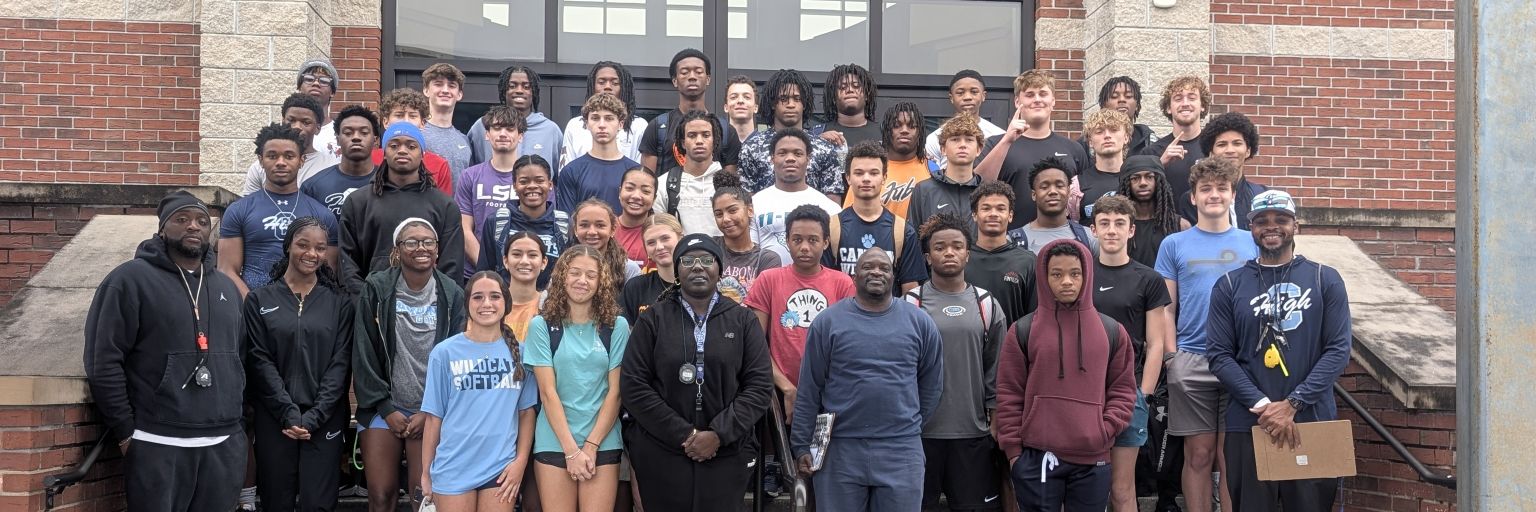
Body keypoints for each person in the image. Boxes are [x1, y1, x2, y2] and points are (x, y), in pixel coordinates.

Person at [84, 191, 246, 512]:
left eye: (202, 221)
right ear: (162, 229)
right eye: (181, 219)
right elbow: (103, 360)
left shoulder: (226, 287)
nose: (193, 227)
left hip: (222, 442)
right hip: (158, 441)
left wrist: (237, 424)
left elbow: (240, 357)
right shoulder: (129, 280)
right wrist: (127, 432)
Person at [1206, 190, 1352, 511]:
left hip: (1311, 420)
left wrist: (1293, 404)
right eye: (1262, 221)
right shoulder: (1229, 285)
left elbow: (1338, 350)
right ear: (1251, 228)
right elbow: (1218, 355)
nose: (1272, 227)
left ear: (1295, 225)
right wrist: (1264, 406)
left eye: (1281, 220)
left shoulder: (1325, 279)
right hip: (1249, 423)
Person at [621, 233, 774, 510]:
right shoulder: (653, 319)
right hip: (663, 451)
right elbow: (634, 386)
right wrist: (685, 435)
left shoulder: (743, 320)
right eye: (688, 260)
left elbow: (759, 385)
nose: (698, 266)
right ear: (677, 270)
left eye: (707, 259)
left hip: (727, 452)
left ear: (719, 269)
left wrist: (718, 434)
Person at [791, 248, 944, 512]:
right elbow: (809, 388)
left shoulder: (919, 322)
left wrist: (905, 423)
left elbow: (931, 385)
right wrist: (801, 444)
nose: (876, 272)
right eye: (867, 267)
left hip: (901, 449)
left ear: (893, 276)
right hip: (840, 449)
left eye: (884, 268)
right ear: (853, 274)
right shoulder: (828, 322)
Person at [995, 239, 1136, 511]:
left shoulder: (1112, 331)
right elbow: (1009, 393)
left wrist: (1104, 430)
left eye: (1075, 273)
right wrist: (1014, 454)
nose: (1067, 282)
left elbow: (1123, 390)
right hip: (1036, 458)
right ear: (1044, 278)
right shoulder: (1023, 330)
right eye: (1056, 274)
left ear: (1087, 275)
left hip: (1092, 458)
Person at [1156, 157, 1258, 512]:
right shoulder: (1174, 244)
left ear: (1232, 195)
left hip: (1242, 363)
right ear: (1194, 197)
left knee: (1231, 456)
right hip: (1192, 360)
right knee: (1198, 455)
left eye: (1221, 188)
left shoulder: (1252, 242)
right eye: (1206, 189)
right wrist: (1172, 357)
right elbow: (1166, 308)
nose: (1214, 195)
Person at [353, 218, 468, 512]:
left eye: (428, 242)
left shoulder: (452, 293)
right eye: (412, 242)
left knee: (424, 498)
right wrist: (386, 408)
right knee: (381, 496)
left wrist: (427, 411)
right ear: (397, 249)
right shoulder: (377, 288)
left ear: (437, 250)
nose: (421, 248)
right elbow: (364, 352)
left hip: (430, 411)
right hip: (384, 408)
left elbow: (457, 359)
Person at [244, 216, 353, 512]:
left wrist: (316, 415)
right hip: (275, 418)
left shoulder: (340, 303)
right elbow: (259, 359)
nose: (312, 254)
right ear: (288, 246)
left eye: (320, 247)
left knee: (318, 503)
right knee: (276, 501)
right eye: (303, 245)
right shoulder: (258, 300)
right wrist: (287, 411)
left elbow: (340, 363)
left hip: (325, 418)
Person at [745, 205, 855, 495]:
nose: (805, 247)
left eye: (813, 240)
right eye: (797, 239)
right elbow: (755, 346)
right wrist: (787, 388)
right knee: (789, 475)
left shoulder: (842, 283)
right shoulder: (770, 280)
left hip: (830, 395)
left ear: (826, 242)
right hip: (779, 392)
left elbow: (849, 344)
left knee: (822, 477)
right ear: (787, 240)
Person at [904, 213, 1006, 512]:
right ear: (927, 256)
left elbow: (997, 368)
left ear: (967, 254)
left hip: (972, 432)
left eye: (956, 246)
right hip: (920, 434)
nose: (948, 252)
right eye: (940, 247)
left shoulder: (985, 303)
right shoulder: (911, 304)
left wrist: (996, 419)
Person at [420, 271, 540, 512]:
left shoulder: (524, 354)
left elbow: (527, 414)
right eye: (478, 297)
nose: (486, 304)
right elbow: (434, 418)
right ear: (467, 304)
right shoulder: (444, 353)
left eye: (495, 296)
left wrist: (520, 462)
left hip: (500, 467)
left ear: (506, 303)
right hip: (453, 465)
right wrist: (426, 472)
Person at [524, 246, 632, 512]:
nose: (582, 281)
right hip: (555, 439)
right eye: (575, 273)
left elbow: (615, 393)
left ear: (601, 281)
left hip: (603, 440)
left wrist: (591, 446)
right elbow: (547, 393)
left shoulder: (616, 326)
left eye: (590, 275)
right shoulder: (542, 325)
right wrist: (571, 450)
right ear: (562, 277)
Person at [1088, 195, 1174, 512]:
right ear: (1093, 230)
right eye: (1105, 224)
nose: (1112, 230)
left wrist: (1144, 393)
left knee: (1122, 489)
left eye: (1119, 223)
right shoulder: (1080, 275)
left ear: (1131, 230)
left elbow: (1156, 343)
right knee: (1085, 486)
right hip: (1083, 393)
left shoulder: (1148, 279)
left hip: (1128, 393)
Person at [340, 121, 464, 289]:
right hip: (370, 303)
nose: (402, 150)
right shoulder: (358, 202)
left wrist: (438, 305)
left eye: (411, 146)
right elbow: (347, 263)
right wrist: (364, 301)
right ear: (384, 153)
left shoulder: (444, 205)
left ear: (422, 154)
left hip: (427, 308)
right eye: (394, 145)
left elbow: (452, 267)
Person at [221, 123, 340, 296]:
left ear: (301, 161)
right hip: (252, 310)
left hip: (305, 311)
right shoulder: (239, 210)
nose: (281, 163)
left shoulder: (323, 215)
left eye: (289, 156)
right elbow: (227, 270)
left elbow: (328, 274)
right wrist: (254, 307)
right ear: (261, 160)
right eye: (272, 156)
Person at [974, 70, 1089, 229]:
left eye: (1043, 94)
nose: (1037, 100)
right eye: (1029, 95)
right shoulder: (996, 144)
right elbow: (976, 187)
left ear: (1053, 101)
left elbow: (1082, 201)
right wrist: (1007, 140)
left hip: (1061, 244)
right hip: (1010, 242)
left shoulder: (1073, 149)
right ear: (1017, 102)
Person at [822, 141, 926, 293]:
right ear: (848, 178)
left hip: (888, 315)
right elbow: (823, 283)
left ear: (884, 177)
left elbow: (910, 290)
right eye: (859, 173)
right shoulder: (831, 227)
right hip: (843, 314)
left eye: (873, 173)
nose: (866, 178)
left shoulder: (903, 231)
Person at [737, 69, 845, 202]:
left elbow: (832, 199)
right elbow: (746, 199)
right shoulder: (752, 148)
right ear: (772, 103)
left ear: (804, 103)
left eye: (797, 99)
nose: (791, 105)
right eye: (783, 99)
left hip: (812, 221)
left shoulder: (824, 148)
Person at [639, 49, 742, 174]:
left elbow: (729, 187)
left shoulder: (726, 130)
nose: (692, 77)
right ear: (675, 81)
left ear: (708, 79)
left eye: (698, 72)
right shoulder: (657, 127)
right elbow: (647, 182)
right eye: (684, 72)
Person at [750, 129, 844, 264]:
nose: (790, 158)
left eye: (798, 153)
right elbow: (750, 254)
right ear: (772, 159)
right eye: (782, 153)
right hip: (767, 282)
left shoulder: (829, 208)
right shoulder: (755, 203)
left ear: (808, 159)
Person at [476, 155, 567, 289]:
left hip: (549, 306)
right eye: (524, 181)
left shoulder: (564, 224)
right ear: (514, 186)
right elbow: (484, 273)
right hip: (507, 304)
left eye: (539, 180)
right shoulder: (496, 222)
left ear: (550, 184)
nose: (532, 186)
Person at [458, 106, 528, 278]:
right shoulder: (470, 176)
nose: (503, 133)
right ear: (487, 134)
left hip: (522, 275)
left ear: (520, 136)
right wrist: (486, 268)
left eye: (510, 128)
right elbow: (464, 229)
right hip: (476, 274)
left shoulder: (533, 179)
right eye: (497, 128)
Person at [556, 93, 643, 217]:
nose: (602, 125)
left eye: (609, 118)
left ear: (621, 124)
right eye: (595, 118)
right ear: (586, 123)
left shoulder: (635, 172)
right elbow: (568, 222)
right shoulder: (571, 171)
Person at [240, 93, 341, 195]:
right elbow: (249, 206)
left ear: (318, 128)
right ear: (283, 121)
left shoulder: (331, 166)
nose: (297, 127)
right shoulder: (260, 167)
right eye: (291, 120)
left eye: (306, 122)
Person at [1182, 111, 1269, 229]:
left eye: (1237, 143)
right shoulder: (1194, 198)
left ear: (1248, 150)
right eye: (1222, 144)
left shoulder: (1261, 195)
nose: (1230, 150)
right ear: (1211, 153)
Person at [967, 181, 1038, 324]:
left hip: (1012, 345)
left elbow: (1034, 317)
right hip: (969, 344)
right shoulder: (962, 259)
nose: (993, 214)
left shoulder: (1028, 262)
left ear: (1010, 215)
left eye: (1001, 209)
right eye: (986, 208)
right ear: (974, 215)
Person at [469, 66, 562, 167]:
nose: (519, 91)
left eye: (526, 87)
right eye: (512, 86)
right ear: (504, 91)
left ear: (534, 93)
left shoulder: (550, 130)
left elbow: (560, 175)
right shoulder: (483, 125)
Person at [849, 101, 928, 220]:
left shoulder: (932, 169)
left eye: (912, 126)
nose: (904, 130)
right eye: (897, 125)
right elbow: (850, 218)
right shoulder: (870, 170)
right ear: (887, 131)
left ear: (920, 132)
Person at [711, 170, 780, 303]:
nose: (725, 219)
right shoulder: (710, 249)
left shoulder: (767, 259)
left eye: (732, 211)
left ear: (750, 210)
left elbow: (765, 306)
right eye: (719, 214)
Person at [908, 112, 985, 231]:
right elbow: (913, 238)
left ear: (979, 149)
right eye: (955, 139)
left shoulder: (986, 192)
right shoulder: (924, 190)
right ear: (943, 149)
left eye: (969, 140)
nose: (962, 145)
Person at [561, 61, 648, 167]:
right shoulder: (575, 125)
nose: (607, 87)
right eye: (601, 82)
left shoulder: (638, 125)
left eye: (615, 83)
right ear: (592, 86)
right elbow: (566, 169)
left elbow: (640, 171)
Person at [303, 105, 382, 218]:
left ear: (375, 140)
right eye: (348, 133)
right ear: (337, 139)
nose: (356, 138)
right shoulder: (313, 187)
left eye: (364, 132)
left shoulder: (389, 182)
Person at [654, 109, 725, 236]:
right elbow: (660, 233)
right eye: (692, 135)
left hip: (721, 255)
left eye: (706, 135)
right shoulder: (664, 184)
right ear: (683, 142)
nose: (699, 141)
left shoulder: (728, 183)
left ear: (715, 140)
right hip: (679, 255)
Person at [1143, 75, 1212, 204]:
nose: (1185, 104)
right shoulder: (1151, 153)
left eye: (1192, 98)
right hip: (1167, 223)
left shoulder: (1213, 147)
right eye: (1178, 99)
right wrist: (1159, 164)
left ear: (1202, 105)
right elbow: (1141, 194)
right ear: (1169, 108)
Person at [371, 88, 455, 194]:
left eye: (412, 116)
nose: (406, 121)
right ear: (386, 122)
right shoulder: (370, 160)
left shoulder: (439, 165)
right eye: (399, 115)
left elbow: (443, 207)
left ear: (422, 123)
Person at [1013, 157, 1099, 254]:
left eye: (1059, 186)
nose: (1053, 192)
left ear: (1069, 192)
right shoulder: (1013, 242)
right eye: (1044, 187)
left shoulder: (1090, 239)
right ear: (1034, 194)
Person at [1116, 155, 1188, 268]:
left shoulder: (1180, 225)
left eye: (1149, 177)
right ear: (1126, 183)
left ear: (1159, 181)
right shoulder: (1117, 226)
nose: (1143, 183)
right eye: (1135, 178)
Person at [926, 70, 1006, 170]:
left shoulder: (1000, 136)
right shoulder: (935, 137)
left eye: (974, 92)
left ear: (983, 96)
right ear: (951, 98)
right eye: (960, 92)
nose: (967, 97)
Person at [567, 198, 644, 297]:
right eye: (584, 225)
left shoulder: (628, 269)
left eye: (600, 225)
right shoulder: (564, 266)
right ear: (575, 230)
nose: (592, 232)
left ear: (612, 230)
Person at [1070, 108, 1133, 221]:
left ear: (1126, 137)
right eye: (1099, 131)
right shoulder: (1076, 185)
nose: (1107, 136)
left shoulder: (1137, 179)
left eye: (1114, 130)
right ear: (1090, 142)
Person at [619, 213, 684, 322]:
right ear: (645, 248)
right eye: (651, 242)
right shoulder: (635, 287)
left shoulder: (698, 283)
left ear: (681, 239)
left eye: (665, 238)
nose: (659, 247)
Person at [421, 63, 474, 182]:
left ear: (459, 94)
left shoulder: (464, 141)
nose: (445, 90)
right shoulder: (415, 134)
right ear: (426, 90)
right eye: (438, 84)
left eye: (451, 86)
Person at [1080, 77, 1156, 159]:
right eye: (1114, 96)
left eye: (1128, 96)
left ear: (1137, 105)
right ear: (1103, 105)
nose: (1122, 100)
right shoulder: (1083, 145)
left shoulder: (1150, 142)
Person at [813, 63, 882, 149]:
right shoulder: (818, 133)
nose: (850, 90)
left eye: (856, 86)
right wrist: (818, 142)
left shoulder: (884, 132)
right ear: (834, 97)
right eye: (843, 87)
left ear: (867, 95)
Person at [612, 167, 659, 266]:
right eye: (629, 188)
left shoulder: (660, 234)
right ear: (620, 192)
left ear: (654, 198)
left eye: (645, 191)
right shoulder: (605, 230)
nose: (636, 196)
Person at [297, 58, 342, 158]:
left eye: (324, 81)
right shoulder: (287, 130)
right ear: (299, 87)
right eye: (309, 79)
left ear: (333, 92)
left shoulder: (341, 133)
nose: (316, 83)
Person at [723, 75, 760, 144]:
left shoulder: (769, 145)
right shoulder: (717, 144)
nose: (740, 101)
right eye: (734, 97)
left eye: (747, 97)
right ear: (726, 107)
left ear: (756, 108)